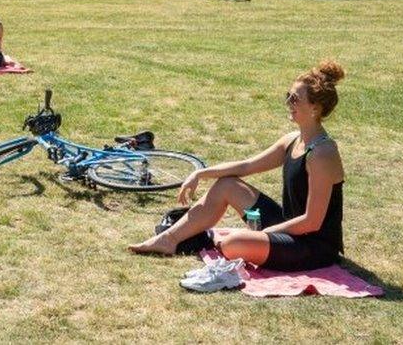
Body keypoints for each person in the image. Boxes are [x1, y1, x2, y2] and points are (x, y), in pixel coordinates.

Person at [129, 60, 346, 272]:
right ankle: (168, 239)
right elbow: (246, 166)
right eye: (287, 95)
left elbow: (311, 222)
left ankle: (237, 240)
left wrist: (267, 233)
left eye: (295, 99)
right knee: (227, 185)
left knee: (233, 244)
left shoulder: (322, 154)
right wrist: (201, 173)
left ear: (315, 108)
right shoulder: (292, 140)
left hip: (313, 246)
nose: (288, 103)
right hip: (289, 227)